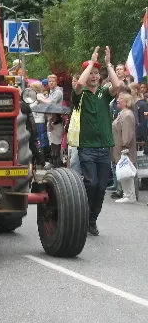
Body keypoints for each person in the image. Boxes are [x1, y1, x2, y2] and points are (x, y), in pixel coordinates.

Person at [73, 46, 122, 236]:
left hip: (104, 148)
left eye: (96, 73)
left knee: (101, 187)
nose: (93, 76)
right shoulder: (80, 95)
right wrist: (91, 61)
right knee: (91, 183)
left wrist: (108, 63)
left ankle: (92, 220)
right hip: (87, 147)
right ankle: (82, 216)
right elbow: (79, 85)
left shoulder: (103, 94)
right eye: (90, 73)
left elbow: (117, 86)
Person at [111, 92, 137, 203]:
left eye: (120, 98)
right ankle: (127, 194)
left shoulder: (127, 115)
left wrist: (125, 147)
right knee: (123, 171)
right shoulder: (122, 113)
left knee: (127, 172)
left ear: (126, 102)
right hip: (119, 148)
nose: (117, 100)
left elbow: (127, 133)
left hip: (124, 149)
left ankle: (130, 195)